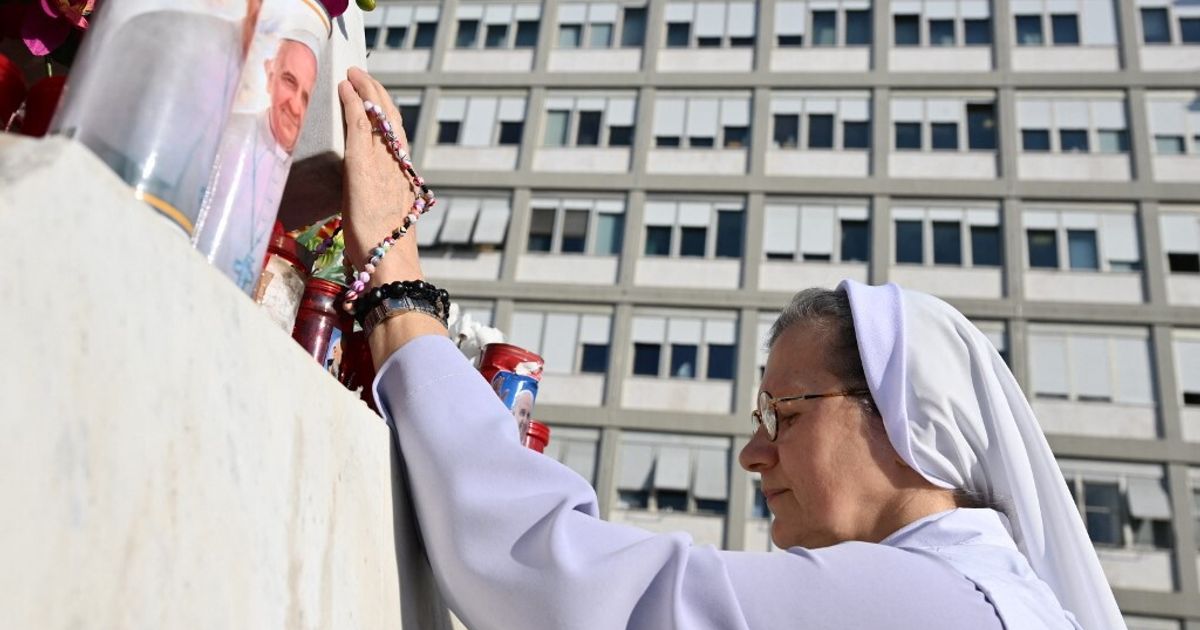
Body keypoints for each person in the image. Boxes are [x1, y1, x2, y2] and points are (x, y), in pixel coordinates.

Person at [335, 68, 1125, 629]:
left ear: (907, 421)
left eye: (784, 413)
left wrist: (398, 290)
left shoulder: (930, 602)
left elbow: (560, 586)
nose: (752, 453)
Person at [193, 35, 319, 291]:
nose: (295, 106)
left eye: (305, 96)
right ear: (269, 72)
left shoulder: (282, 161)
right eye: (288, 81)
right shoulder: (227, 131)